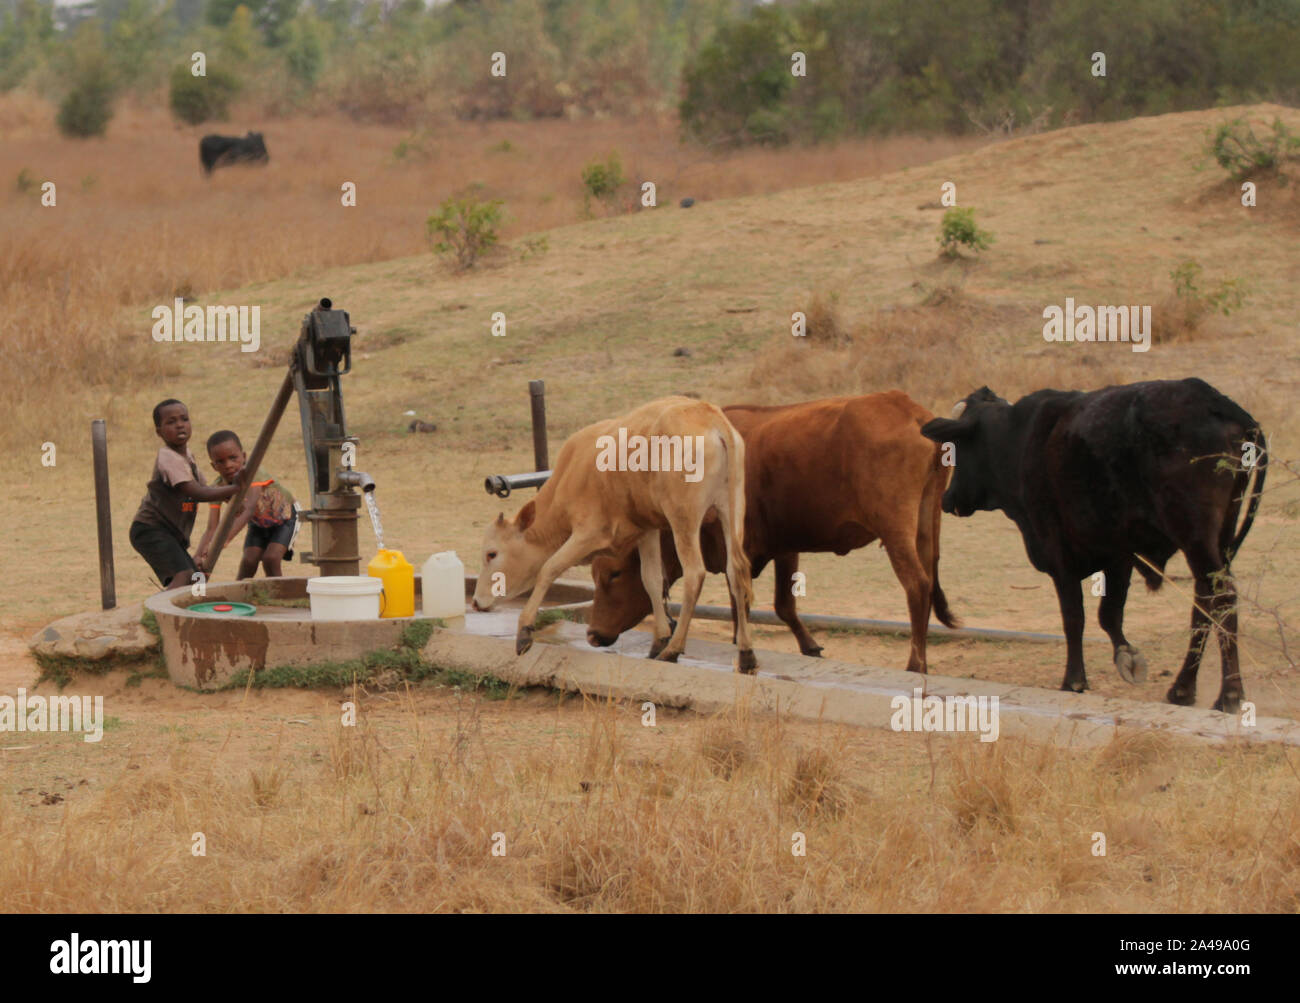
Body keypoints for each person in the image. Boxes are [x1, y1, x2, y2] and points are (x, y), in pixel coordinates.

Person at [129, 399, 242, 591]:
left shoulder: (187, 456)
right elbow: (196, 492)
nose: (180, 424)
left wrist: (231, 498)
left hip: (171, 534)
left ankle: (193, 615)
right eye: (171, 422)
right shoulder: (168, 457)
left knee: (197, 578)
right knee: (184, 575)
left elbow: (207, 489)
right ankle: (156, 614)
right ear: (159, 431)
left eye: (184, 419)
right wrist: (236, 489)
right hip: (150, 529)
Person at [194, 430, 298, 580]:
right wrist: (198, 555)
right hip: (258, 524)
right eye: (220, 462)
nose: (228, 465)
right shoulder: (217, 489)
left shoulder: (254, 473)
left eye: (233, 458)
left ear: (244, 457)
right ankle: (239, 598)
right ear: (213, 466)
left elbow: (248, 510)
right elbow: (212, 528)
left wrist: (223, 540)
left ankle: (278, 597)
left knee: (271, 559)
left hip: (286, 518)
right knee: (249, 561)